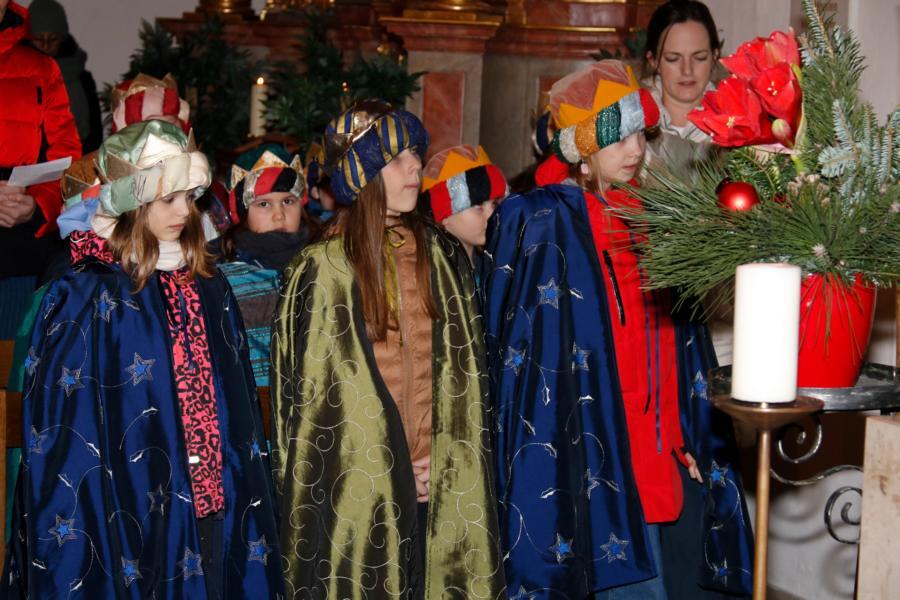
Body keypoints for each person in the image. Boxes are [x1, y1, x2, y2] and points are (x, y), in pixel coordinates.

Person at [483, 60, 753, 599]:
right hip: (591, 453)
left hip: (660, 450)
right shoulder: (545, 223)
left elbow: (678, 341)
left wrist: (692, 430)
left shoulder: (650, 220)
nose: (635, 149)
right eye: (618, 136)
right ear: (582, 149)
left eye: (639, 134)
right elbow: (521, 355)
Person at [2, 120, 285, 598]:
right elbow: (66, 432)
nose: (184, 211)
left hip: (213, 489)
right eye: (168, 198)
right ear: (131, 200)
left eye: (189, 197)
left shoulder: (209, 283)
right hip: (129, 497)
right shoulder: (87, 293)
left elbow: (236, 406)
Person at [271, 100, 505, 599]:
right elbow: (320, 409)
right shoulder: (324, 269)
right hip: (363, 492)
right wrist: (394, 468)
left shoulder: (439, 254)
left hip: (438, 479)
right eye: (399, 159)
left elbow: (463, 376)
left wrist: (442, 456)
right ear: (365, 173)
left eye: (416, 154)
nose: (416, 166)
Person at [0, 0, 81, 336]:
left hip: (15, 255)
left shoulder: (42, 69)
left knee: (11, 363)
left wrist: (37, 207)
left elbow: (68, 167)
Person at [212, 144, 317, 387]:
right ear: (242, 212)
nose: (279, 215)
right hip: (251, 394)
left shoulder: (320, 262)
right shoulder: (223, 275)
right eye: (264, 204)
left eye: (288, 201)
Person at [641, 0, 721, 176]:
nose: (687, 70)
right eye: (673, 58)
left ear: (714, 56)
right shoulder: (631, 119)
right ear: (653, 61)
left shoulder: (735, 123)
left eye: (699, 57)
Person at [28, 0, 102, 154]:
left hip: (74, 160)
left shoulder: (82, 79)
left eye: (53, 39)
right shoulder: (12, 77)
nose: (46, 45)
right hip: (26, 164)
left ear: (62, 39)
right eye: (39, 39)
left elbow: (94, 135)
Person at [419, 144, 507, 265]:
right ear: (443, 216)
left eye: (494, 204)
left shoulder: (492, 264)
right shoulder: (433, 270)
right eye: (478, 206)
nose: (492, 215)